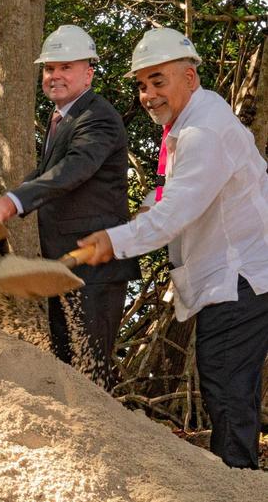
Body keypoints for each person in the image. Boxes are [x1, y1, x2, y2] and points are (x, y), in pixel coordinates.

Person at [79, 27, 268, 469]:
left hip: (238, 277)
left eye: (158, 81)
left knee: (225, 385)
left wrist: (115, 240)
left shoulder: (203, 131)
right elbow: (172, 196)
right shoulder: (190, 124)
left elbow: (176, 212)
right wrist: (140, 215)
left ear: (189, 76)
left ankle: (238, 482)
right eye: (142, 85)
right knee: (227, 382)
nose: (148, 95)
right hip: (237, 273)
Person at [0, 25, 140, 390]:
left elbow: (74, 169)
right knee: (67, 362)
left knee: (90, 369)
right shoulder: (62, 119)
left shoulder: (97, 117)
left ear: (88, 72)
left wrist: (17, 200)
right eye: (49, 69)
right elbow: (47, 171)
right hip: (62, 265)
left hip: (95, 265)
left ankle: (99, 438)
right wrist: (12, 197)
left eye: (65, 67)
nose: (55, 76)